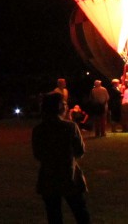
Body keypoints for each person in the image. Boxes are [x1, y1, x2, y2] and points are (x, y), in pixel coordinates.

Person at [31, 90, 91, 224]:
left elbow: (38, 154)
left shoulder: (39, 129)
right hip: (69, 174)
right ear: (59, 107)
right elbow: (80, 151)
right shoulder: (70, 127)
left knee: (54, 215)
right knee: (80, 212)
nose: (66, 106)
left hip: (48, 176)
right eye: (64, 103)